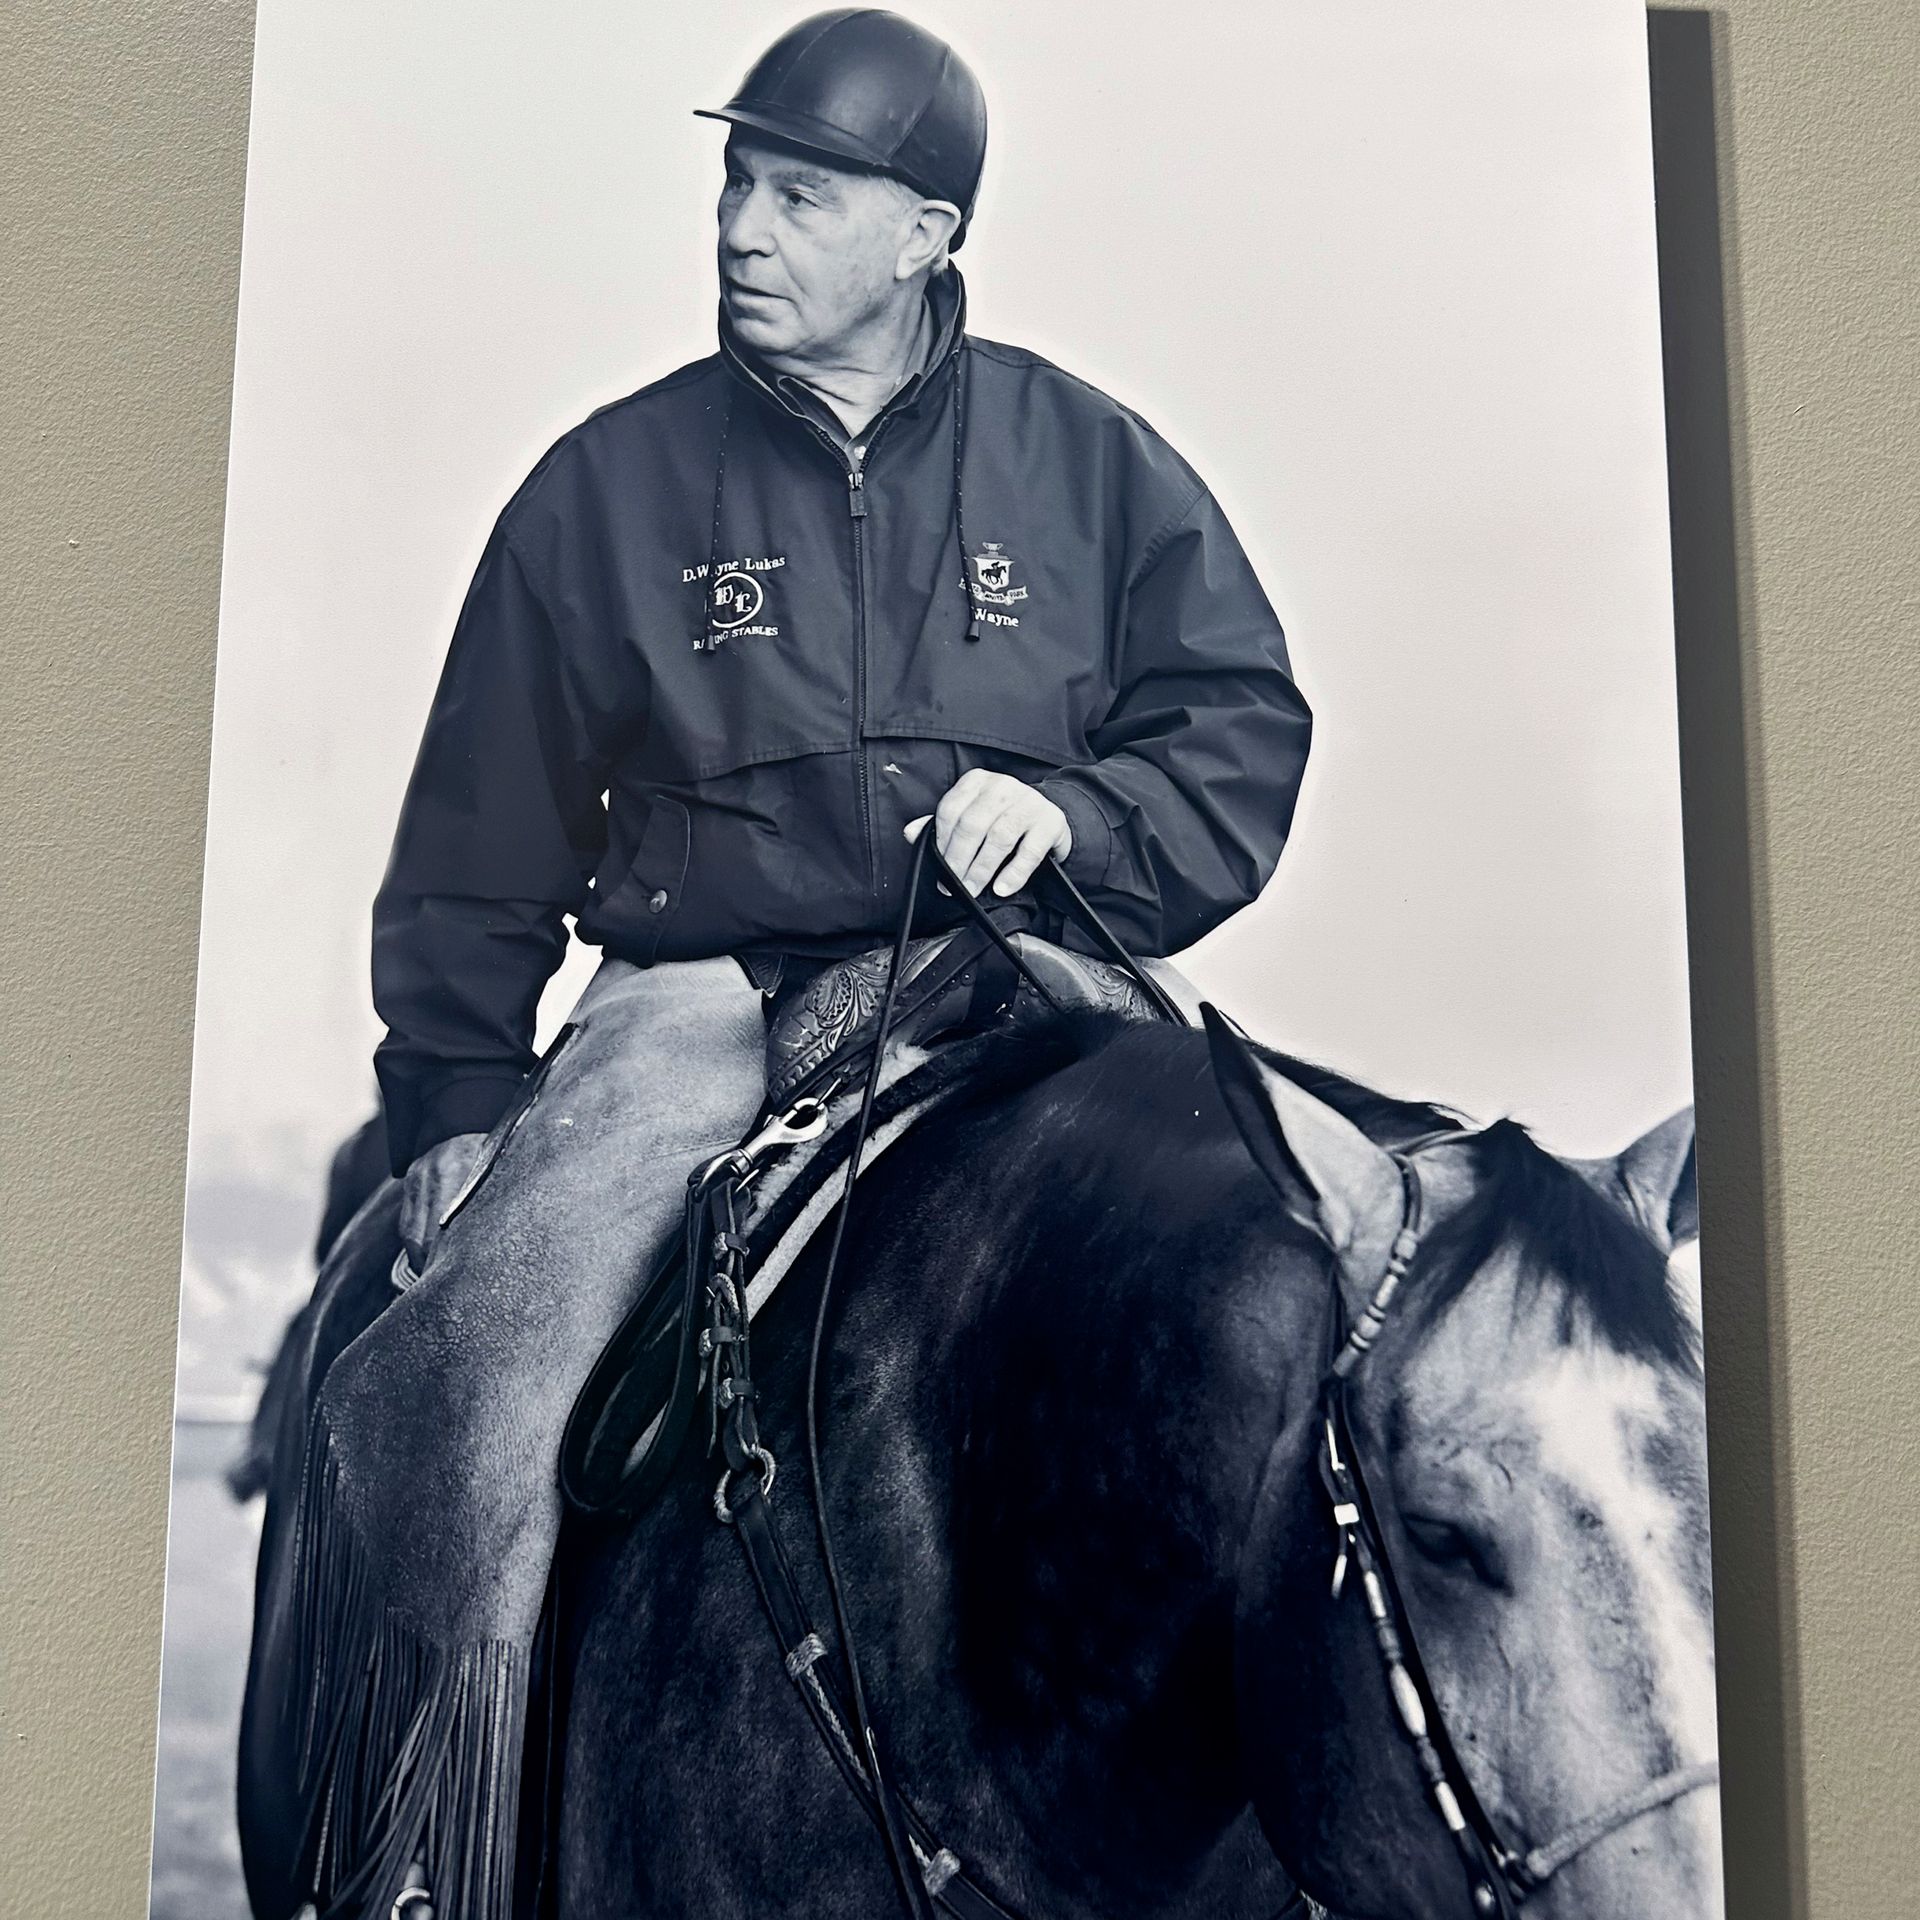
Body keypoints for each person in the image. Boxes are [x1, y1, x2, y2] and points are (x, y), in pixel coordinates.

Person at [294, 12, 1313, 1916]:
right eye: (736, 184)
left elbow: (1241, 729)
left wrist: (1083, 824)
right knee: (474, 1378)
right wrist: (451, 1102)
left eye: (799, 192)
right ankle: (423, 1852)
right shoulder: (598, 491)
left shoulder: (1092, 465)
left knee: (1254, 1301)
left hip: (1010, 988)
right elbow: (474, 849)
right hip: (700, 1008)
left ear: (926, 231)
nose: (741, 227)